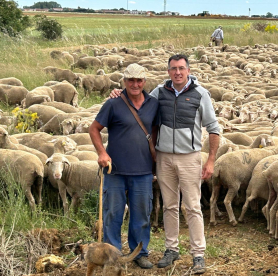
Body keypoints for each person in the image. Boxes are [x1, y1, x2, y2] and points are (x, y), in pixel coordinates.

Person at [110, 54, 220, 274]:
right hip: (163, 158)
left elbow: (213, 128)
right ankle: (171, 249)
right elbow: (137, 101)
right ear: (168, 71)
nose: (177, 72)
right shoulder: (159, 92)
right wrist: (117, 94)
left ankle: (198, 254)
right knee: (169, 205)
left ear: (188, 70)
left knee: (193, 206)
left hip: (189, 157)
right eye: (173, 69)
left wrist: (210, 160)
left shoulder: (201, 94)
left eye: (181, 68)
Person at [89, 63, 159, 269]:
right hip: (115, 170)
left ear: (144, 82)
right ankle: (112, 254)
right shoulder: (113, 103)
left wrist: (156, 162)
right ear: (124, 82)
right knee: (113, 213)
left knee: (142, 213)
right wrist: (102, 152)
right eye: (130, 80)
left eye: (139, 80)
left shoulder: (153, 104)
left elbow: (154, 132)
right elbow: (94, 129)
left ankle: (140, 253)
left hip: (143, 170)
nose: (135, 84)